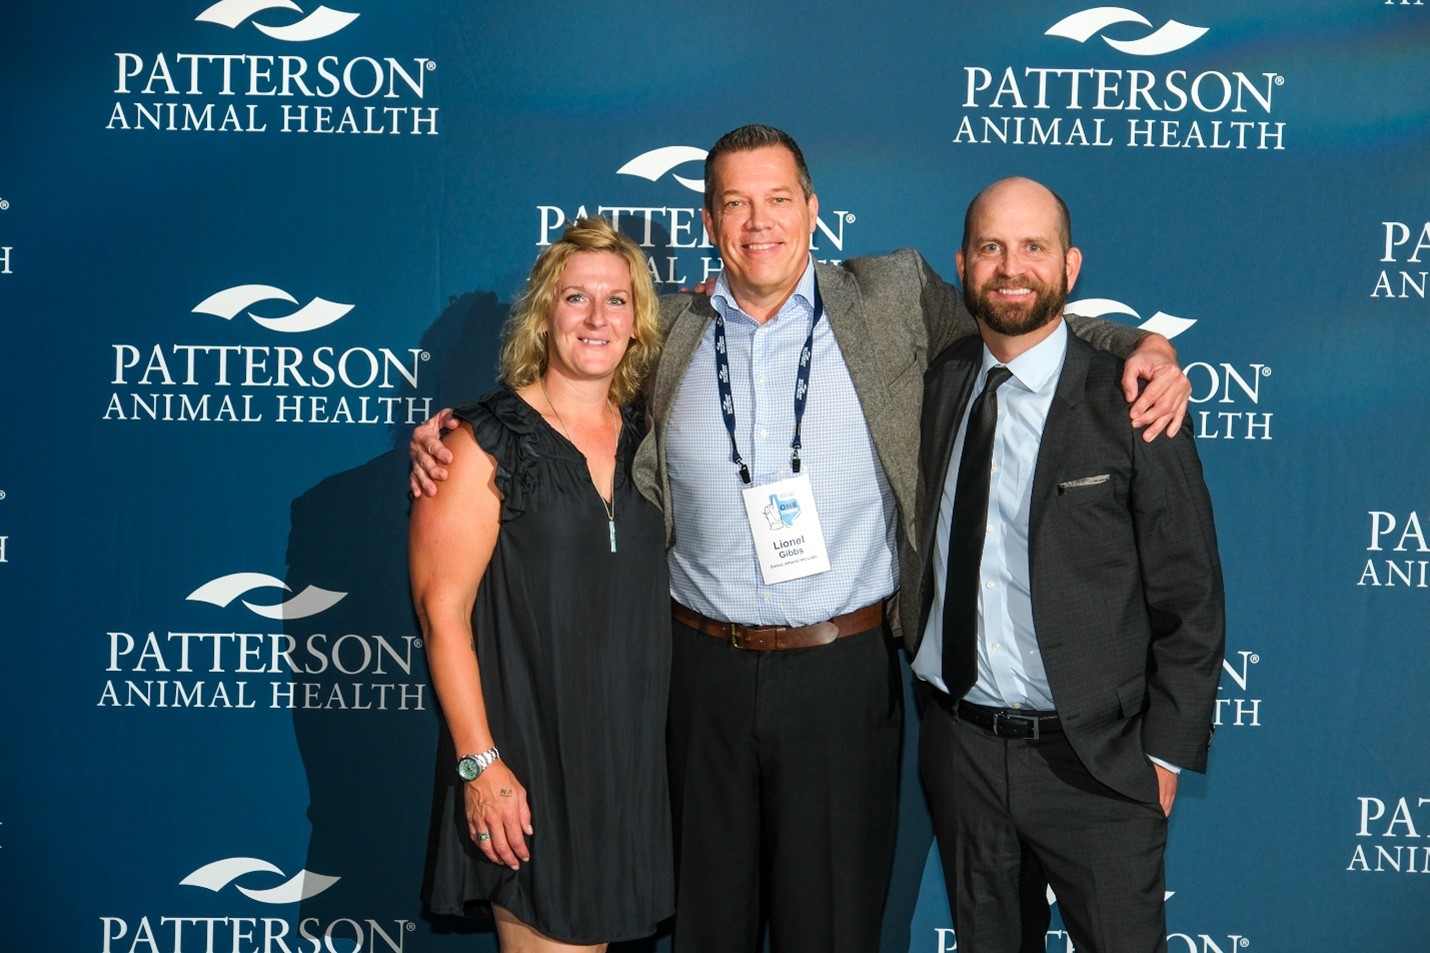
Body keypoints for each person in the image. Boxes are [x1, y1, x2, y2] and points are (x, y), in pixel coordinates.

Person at [411, 125, 1190, 953]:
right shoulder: (665, 329)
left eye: (778, 199)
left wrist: (1141, 344)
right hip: (697, 681)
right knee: (708, 932)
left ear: (813, 210)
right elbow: (564, 394)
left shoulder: (890, 296)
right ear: (710, 222)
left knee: (831, 931)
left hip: (842, 676)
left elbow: (1016, 318)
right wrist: (463, 431)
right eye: (736, 203)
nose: (760, 222)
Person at [908, 177, 1225, 953]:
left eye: (1033, 247)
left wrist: (1160, 756)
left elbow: (1191, 593)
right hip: (962, 750)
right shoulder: (940, 380)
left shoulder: (1133, 398)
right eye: (991, 247)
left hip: (1097, 761)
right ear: (963, 264)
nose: (1011, 267)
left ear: (1070, 265)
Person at [409, 217, 672, 952]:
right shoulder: (479, 442)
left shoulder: (653, 438)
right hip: (526, 763)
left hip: (628, 766)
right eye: (575, 297)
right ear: (544, 314)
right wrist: (481, 764)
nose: (596, 318)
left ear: (638, 321)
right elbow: (441, 613)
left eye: (616, 300)